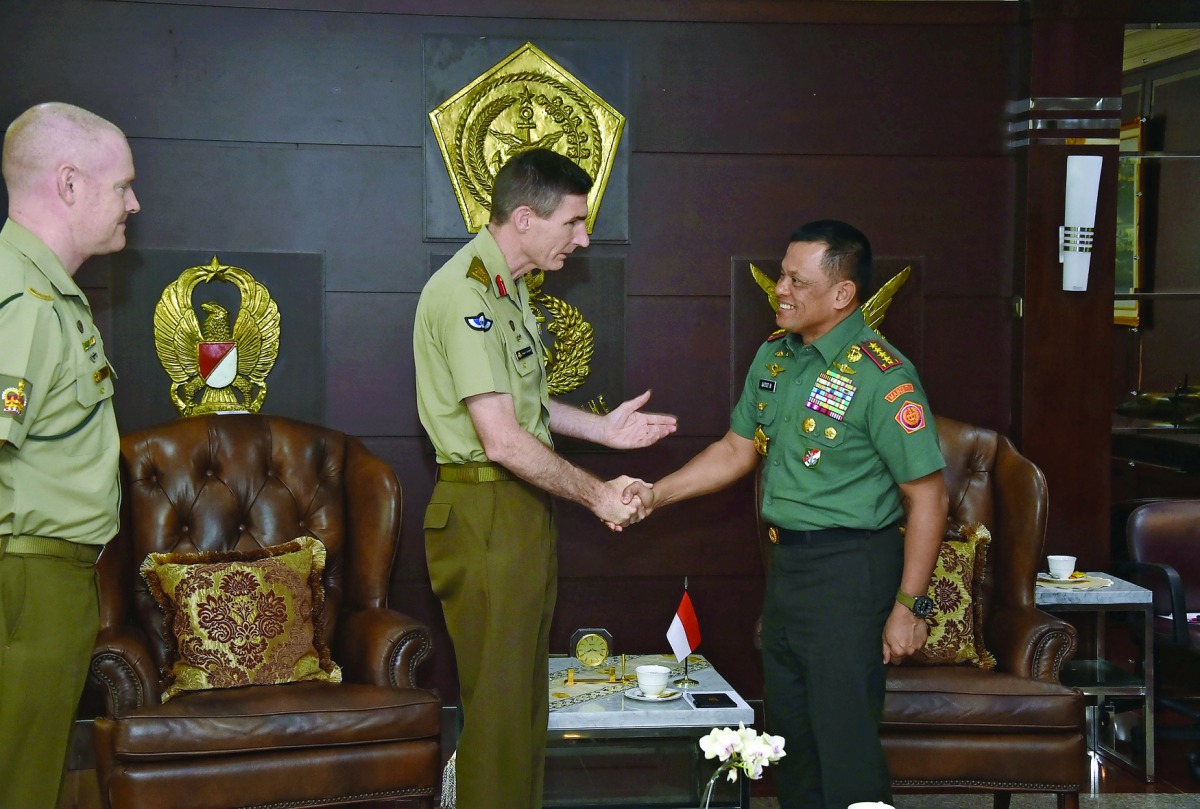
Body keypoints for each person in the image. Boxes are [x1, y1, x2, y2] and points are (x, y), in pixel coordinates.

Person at [623, 220, 948, 809]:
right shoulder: (776, 358)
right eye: (781, 275)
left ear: (843, 294)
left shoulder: (883, 375)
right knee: (790, 741)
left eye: (798, 279)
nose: (781, 288)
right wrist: (655, 495)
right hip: (788, 569)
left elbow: (928, 497)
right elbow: (734, 450)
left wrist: (909, 606)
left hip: (852, 571)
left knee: (844, 742)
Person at [412, 148, 676, 809]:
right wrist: (596, 493)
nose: (584, 239)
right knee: (500, 718)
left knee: (527, 710)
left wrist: (602, 429)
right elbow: (500, 438)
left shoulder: (507, 289)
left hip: (519, 514)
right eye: (575, 223)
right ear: (525, 218)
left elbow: (521, 407)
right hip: (486, 514)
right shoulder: (465, 293)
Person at [0, 102, 140, 808]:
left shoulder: (53, 294)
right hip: (25, 578)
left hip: (50, 576)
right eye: (121, 187)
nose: (134, 203)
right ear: (70, 183)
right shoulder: (21, 298)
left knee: (33, 773)